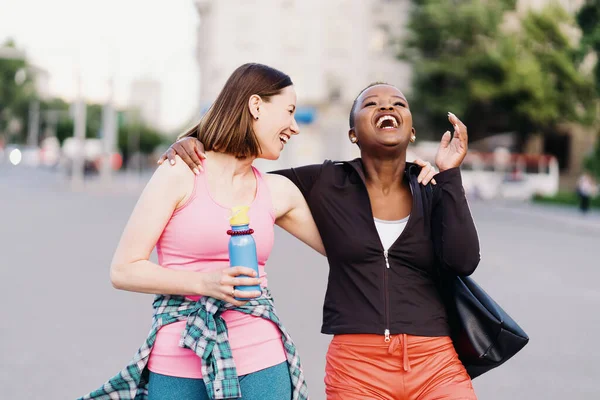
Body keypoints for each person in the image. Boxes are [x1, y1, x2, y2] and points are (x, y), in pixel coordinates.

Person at [163, 82, 481, 400]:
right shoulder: (326, 182)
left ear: (411, 132)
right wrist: (196, 142)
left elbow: (463, 260)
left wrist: (449, 174)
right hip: (358, 369)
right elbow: (242, 176)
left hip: (435, 362)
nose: (387, 107)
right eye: (371, 104)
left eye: (398, 104)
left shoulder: (432, 187)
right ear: (352, 134)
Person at [79, 63, 326, 400]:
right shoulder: (180, 172)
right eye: (289, 111)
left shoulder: (277, 191)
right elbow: (123, 269)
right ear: (256, 106)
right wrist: (202, 283)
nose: (294, 127)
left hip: (262, 357)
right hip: (178, 356)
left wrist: (411, 173)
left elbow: (345, 249)